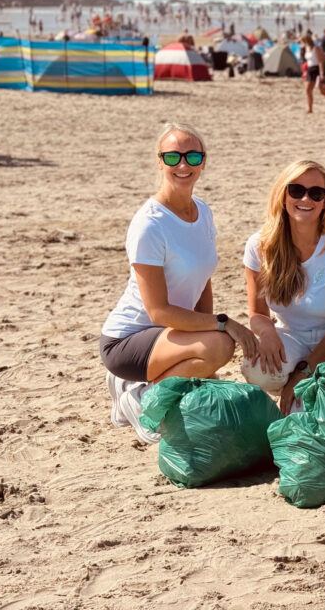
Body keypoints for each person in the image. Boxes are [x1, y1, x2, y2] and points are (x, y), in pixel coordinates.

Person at [100, 122, 258, 443]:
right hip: (126, 341)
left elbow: (203, 279)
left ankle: (132, 390)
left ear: (203, 161)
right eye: (172, 157)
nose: (183, 164)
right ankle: (143, 397)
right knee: (221, 345)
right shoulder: (149, 224)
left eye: (192, 156)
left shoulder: (202, 212)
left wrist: (209, 332)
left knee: (212, 365)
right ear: (160, 161)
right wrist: (222, 325)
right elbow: (158, 312)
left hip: (168, 336)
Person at [243, 160, 325, 414]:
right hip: (293, 336)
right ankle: (290, 383)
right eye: (296, 190)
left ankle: (303, 386)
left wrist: (303, 372)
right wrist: (267, 332)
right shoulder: (259, 246)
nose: (306, 199)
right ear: (283, 195)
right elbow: (257, 313)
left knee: (321, 412)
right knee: (256, 369)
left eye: (316, 193)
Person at [300, 32, 325, 113]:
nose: (302, 43)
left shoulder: (316, 48)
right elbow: (308, 61)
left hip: (318, 69)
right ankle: (310, 109)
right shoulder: (306, 48)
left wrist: (321, 73)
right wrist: (305, 71)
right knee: (308, 90)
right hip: (310, 69)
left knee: (322, 90)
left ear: (306, 40)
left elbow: (321, 61)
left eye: (303, 41)